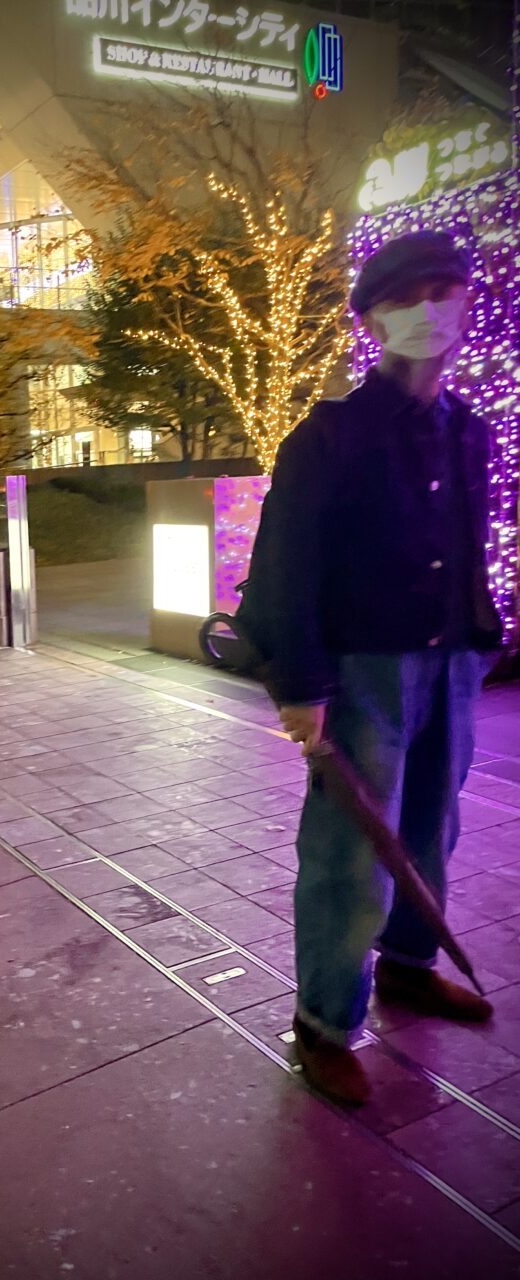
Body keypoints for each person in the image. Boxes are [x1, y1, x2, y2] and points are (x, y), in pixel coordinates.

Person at [237, 230, 503, 1106]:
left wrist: (482, 640)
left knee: (431, 831)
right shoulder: (333, 435)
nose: (428, 311)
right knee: (351, 856)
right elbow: (286, 563)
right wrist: (301, 685)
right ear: (371, 321)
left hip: (449, 662)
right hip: (363, 673)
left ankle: (408, 967)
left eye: (444, 291)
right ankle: (323, 1022)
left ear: (467, 304)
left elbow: (469, 549)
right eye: (404, 298)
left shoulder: (471, 433)